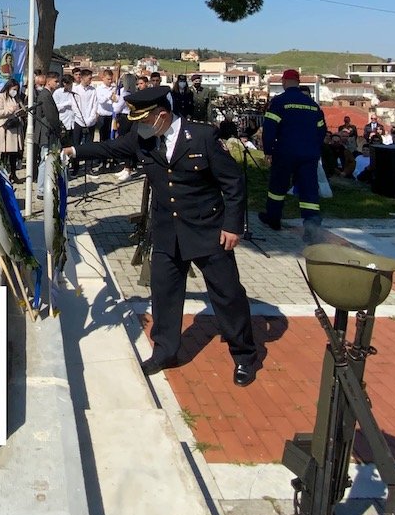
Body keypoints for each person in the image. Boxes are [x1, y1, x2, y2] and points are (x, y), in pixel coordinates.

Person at [62, 86, 258, 386]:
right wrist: (73, 150)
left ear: (161, 116)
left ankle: (244, 354)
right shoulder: (145, 140)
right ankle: (165, 351)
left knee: (227, 294)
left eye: (143, 119)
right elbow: (109, 149)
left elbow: (233, 183)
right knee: (164, 294)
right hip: (167, 231)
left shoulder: (202, 137)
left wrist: (233, 226)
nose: (138, 126)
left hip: (207, 230)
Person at [259, 70, 327, 231]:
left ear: (284, 82)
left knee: (278, 186)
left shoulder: (279, 101)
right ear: (298, 82)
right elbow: (322, 131)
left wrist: (268, 150)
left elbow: (269, 128)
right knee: (309, 189)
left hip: (285, 151)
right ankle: (311, 225)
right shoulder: (312, 105)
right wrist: (313, 148)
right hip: (309, 154)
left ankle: (273, 218)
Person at [32, 69, 62, 194]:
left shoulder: (47, 94)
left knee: (47, 160)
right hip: (46, 132)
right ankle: (41, 189)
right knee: (45, 160)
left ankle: (46, 186)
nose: (58, 84)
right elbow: (51, 116)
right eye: (56, 81)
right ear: (49, 82)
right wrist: (59, 128)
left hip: (48, 132)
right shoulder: (45, 95)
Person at [0, 77, 25, 182]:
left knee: (14, 154)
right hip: (6, 129)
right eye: (13, 89)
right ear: (8, 88)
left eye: (16, 89)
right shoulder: (0, 97)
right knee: (5, 153)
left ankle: (13, 174)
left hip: (15, 128)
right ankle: (2, 175)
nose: (14, 92)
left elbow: (21, 108)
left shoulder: (16, 98)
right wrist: (11, 110)